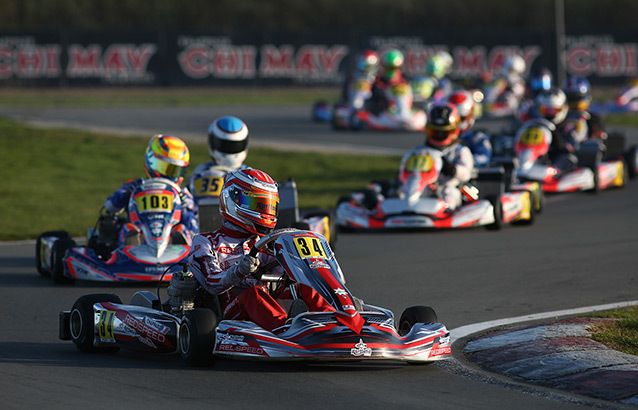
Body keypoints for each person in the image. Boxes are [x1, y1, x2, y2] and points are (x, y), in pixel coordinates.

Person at [187, 168, 334, 332]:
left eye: (269, 206)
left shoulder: (267, 243)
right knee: (253, 293)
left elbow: (282, 278)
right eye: (259, 205)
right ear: (232, 199)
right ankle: (286, 330)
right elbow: (211, 282)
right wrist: (238, 271)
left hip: (267, 304)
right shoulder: (207, 242)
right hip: (228, 311)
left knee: (307, 285)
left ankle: (333, 320)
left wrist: (299, 266)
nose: (266, 213)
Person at [104, 134, 198, 246]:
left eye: (174, 170)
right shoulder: (135, 186)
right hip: (141, 235)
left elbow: (193, 223)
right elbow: (110, 206)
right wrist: (125, 195)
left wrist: (183, 209)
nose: (166, 174)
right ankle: (129, 246)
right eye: (163, 167)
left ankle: (186, 249)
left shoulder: (181, 193)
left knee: (182, 228)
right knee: (127, 228)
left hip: (169, 239)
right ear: (150, 160)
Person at [398, 102, 474, 211]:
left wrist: (452, 170)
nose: (439, 135)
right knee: (401, 191)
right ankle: (403, 208)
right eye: (435, 131)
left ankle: (445, 211)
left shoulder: (460, 151)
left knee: (449, 194)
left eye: (443, 132)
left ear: (453, 130)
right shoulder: (418, 151)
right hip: (420, 186)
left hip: (447, 186)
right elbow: (403, 170)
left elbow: (466, 173)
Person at [187, 116, 250, 205]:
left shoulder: (199, 172)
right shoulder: (250, 175)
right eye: (225, 145)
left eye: (234, 146)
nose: (229, 149)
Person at [534, 87, 587, 171]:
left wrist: (558, 140)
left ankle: (553, 172)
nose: (550, 114)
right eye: (546, 110)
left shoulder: (570, 125)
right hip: (538, 158)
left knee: (564, 156)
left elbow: (571, 146)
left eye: (554, 110)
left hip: (561, 162)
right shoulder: (535, 124)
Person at [446, 89, 493, 167]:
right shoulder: (442, 138)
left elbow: (483, 158)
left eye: (462, 118)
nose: (458, 122)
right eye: (456, 118)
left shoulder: (477, 138)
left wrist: (462, 163)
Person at [366, 48, 410, 115]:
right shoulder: (379, 82)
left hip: (403, 113)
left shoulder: (405, 82)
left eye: (394, 68)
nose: (392, 71)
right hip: (383, 113)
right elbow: (371, 100)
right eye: (389, 68)